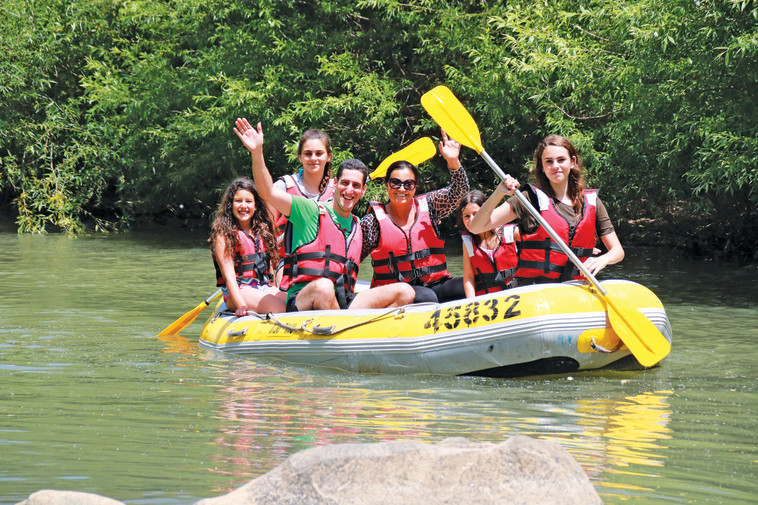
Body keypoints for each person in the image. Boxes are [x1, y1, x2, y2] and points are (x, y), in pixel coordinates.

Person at [234, 118, 415, 311]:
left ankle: (357, 329)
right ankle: (341, 332)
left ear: (363, 191)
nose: (349, 190)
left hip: (343, 300)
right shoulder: (310, 211)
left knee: (405, 291)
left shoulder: (358, 226)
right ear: (335, 183)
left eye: (356, 186)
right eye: (345, 183)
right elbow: (267, 192)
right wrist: (257, 152)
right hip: (305, 298)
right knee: (324, 287)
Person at [469, 135, 624, 285]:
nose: (555, 166)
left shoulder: (592, 202)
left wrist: (603, 259)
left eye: (561, 160)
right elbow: (476, 227)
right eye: (549, 162)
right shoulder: (528, 200)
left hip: (577, 290)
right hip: (537, 292)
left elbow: (617, 251)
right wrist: (499, 193)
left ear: (572, 162)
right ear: (542, 167)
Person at [360, 130, 469, 303]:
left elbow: (460, 193)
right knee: (427, 297)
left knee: (471, 286)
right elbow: (352, 257)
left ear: (415, 187)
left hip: (436, 283)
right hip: (395, 292)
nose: (401, 189)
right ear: (387, 186)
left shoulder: (430, 205)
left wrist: (453, 161)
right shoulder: (372, 222)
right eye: (395, 183)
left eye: (408, 184)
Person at [210, 177, 286, 316]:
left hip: (263, 287)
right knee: (279, 307)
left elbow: (269, 271)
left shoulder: (263, 232)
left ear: (255, 205)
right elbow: (229, 277)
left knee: (291, 302)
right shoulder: (224, 236)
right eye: (238, 201)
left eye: (248, 201)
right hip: (239, 291)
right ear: (230, 205)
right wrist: (241, 305)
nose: (243, 206)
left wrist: (275, 290)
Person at [458, 190, 519, 298]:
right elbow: (468, 277)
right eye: (466, 216)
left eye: (476, 214)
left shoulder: (513, 233)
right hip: (487, 301)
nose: (471, 220)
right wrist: (471, 303)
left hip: (516, 296)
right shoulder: (467, 243)